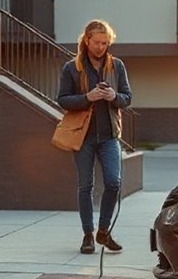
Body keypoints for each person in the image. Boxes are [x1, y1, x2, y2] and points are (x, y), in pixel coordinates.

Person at [57, 19, 133, 254]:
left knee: (113, 183)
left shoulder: (116, 66)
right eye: (97, 42)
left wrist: (113, 96)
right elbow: (62, 100)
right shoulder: (72, 67)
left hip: (109, 136)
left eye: (105, 42)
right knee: (85, 185)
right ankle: (88, 235)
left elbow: (127, 98)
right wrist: (88, 97)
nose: (101, 47)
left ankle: (104, 231)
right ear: (87, 40)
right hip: (83, 137)